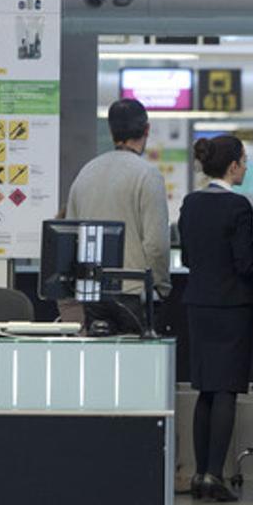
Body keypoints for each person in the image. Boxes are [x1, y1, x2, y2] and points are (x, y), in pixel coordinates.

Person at [178, 135, 253, 503]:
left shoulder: (191, 203)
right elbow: (245, 262)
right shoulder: (238, 206)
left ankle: (198, 474)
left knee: (205, 388)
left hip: (198, 303)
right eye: (244, 161)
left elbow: (187, 257)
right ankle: (214, 475)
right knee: (226, 389)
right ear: (233, 166)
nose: (245, 167)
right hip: (231, 305)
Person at [65, 99, 170, 332]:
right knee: (138, 355)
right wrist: (161, 287)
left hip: (93, 294)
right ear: (147, 130)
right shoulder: (147, 175)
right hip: (134, 293)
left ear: (112, 132)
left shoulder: (86, 173)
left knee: (101, 355)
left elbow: (70, 235)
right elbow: (156, 244)